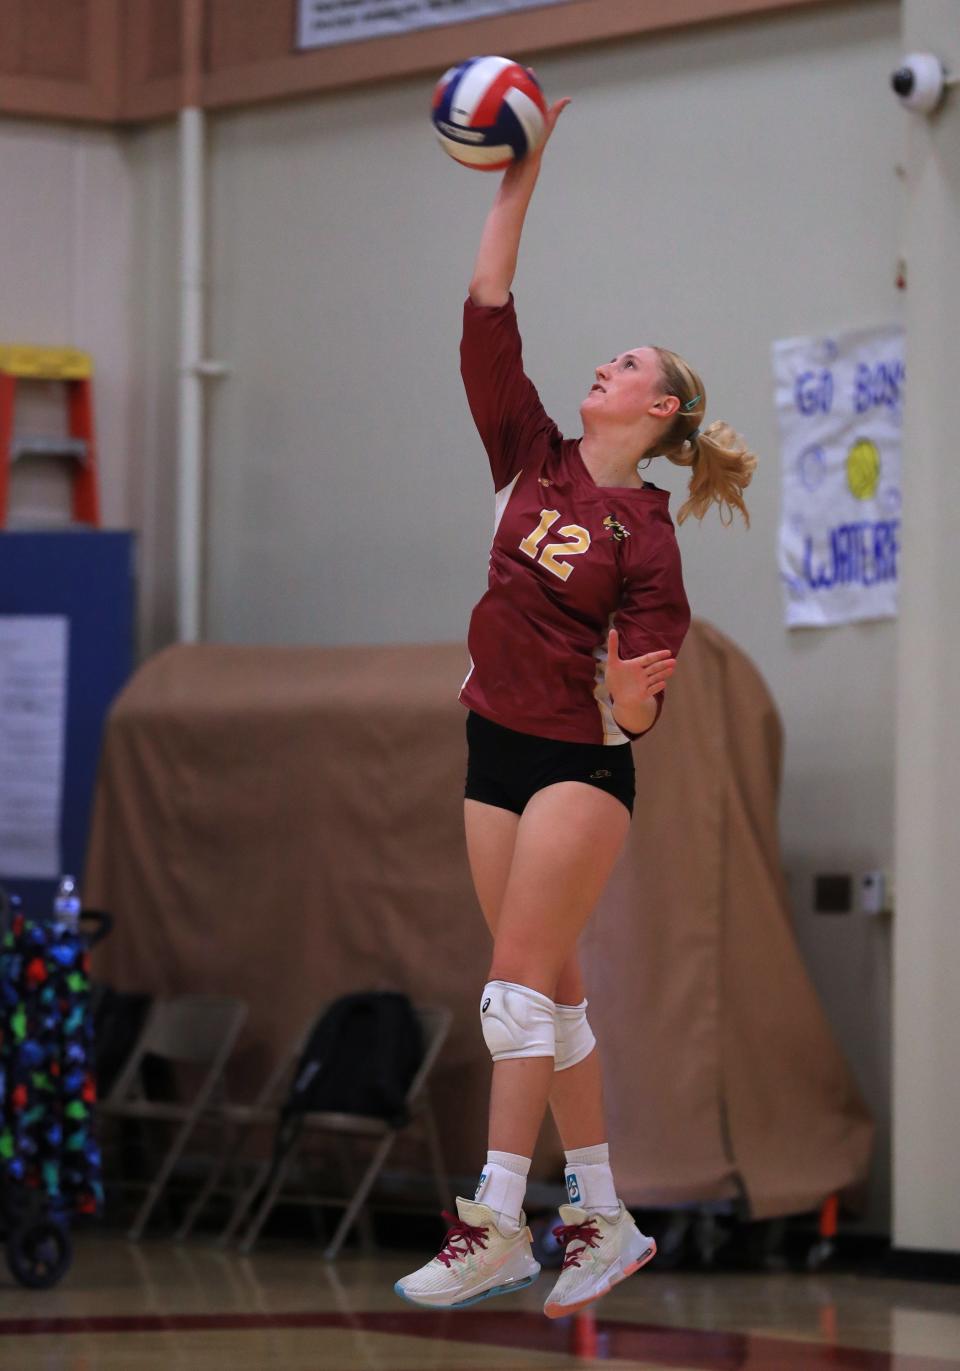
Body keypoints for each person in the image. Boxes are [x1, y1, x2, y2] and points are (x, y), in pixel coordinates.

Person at [396, 93, 756, 1318]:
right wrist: (520, 166)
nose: (609, 363)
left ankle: (497, 1219)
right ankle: (604, 1218)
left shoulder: (646, 537)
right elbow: (489, 302)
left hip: (581, 766)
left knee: (509, 994)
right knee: (548, 1002)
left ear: (658, 414)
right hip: (492, 743)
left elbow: (645, 713)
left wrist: (629, 692)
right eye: (610, 358)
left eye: (633, 366)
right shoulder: (529, 453)